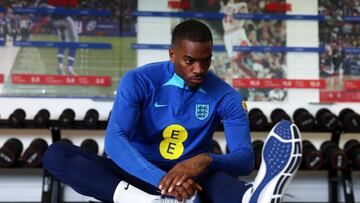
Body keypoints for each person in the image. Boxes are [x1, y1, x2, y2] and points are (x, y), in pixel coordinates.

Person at [43, 19, 302, 203]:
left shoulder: (227, 97)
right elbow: (115, 139)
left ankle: (253, 197)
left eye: (206, 59)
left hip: (192, 176)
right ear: (172, 54)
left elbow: (244, 159)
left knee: (217, 177)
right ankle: (148, 201)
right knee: (57, 153)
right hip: (139, 172)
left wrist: (207, 159)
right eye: (189, 60)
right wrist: (162, 181)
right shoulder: (140, 81)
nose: (199, 69)